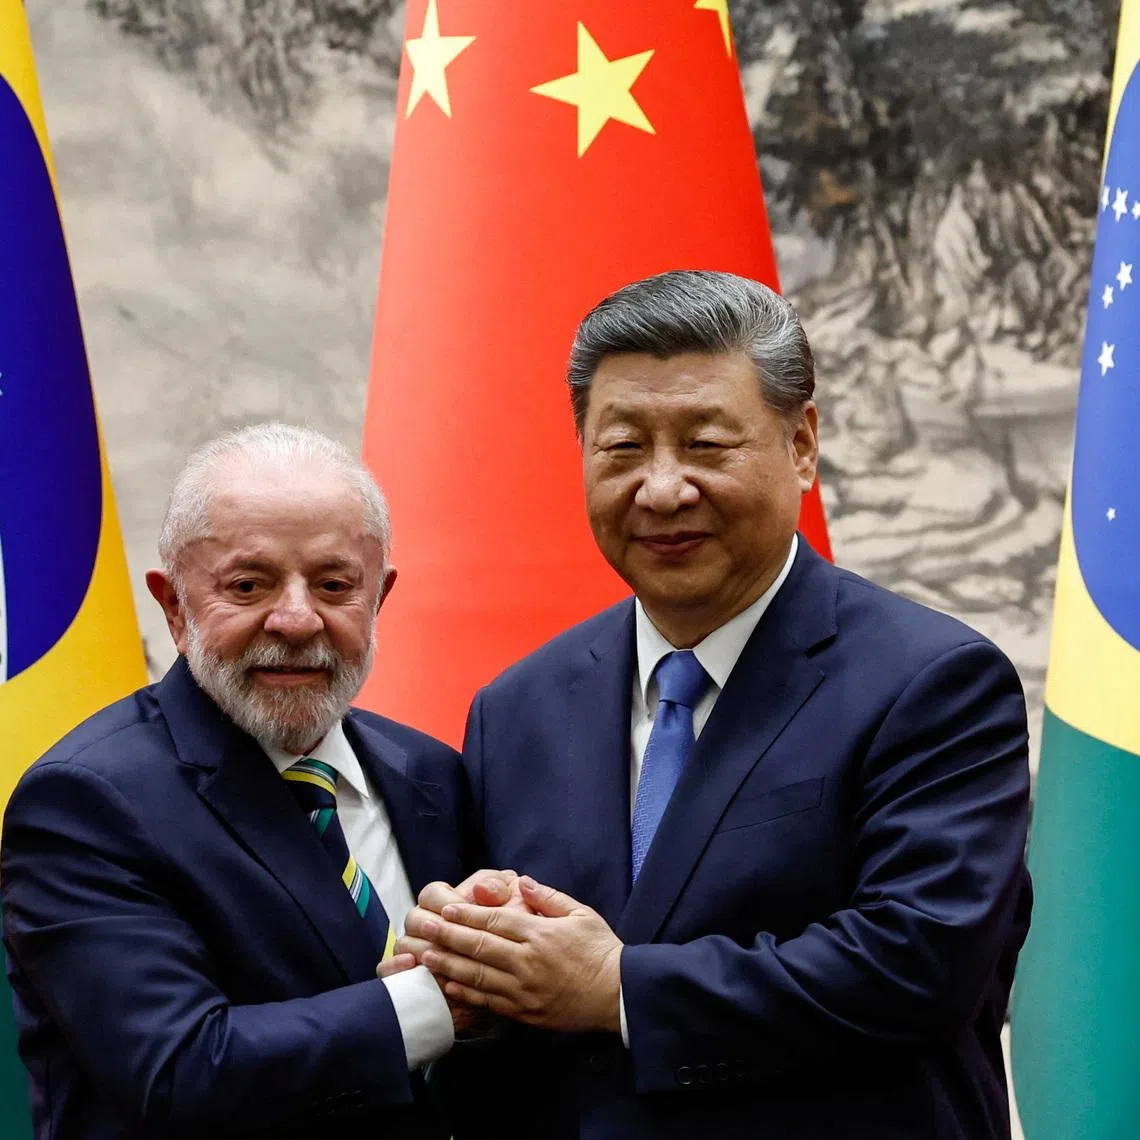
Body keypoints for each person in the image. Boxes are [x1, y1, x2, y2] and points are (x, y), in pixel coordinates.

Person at [402, 270, 1034, 1139]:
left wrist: (618, 988)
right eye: (622, 448)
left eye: (705, 444)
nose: (661, 489)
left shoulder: (934, 684)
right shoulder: (516, 709)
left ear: (802, 445)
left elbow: (916, 966)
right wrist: (462, 982)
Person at [1, 424, 477, 1140]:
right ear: (173, 607)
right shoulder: (83, 803)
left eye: (334, 584)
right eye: (248, 585)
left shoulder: (434, 775)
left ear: (380, 598)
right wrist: (441, 1002)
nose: (295, 619)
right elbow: (181, 1071)